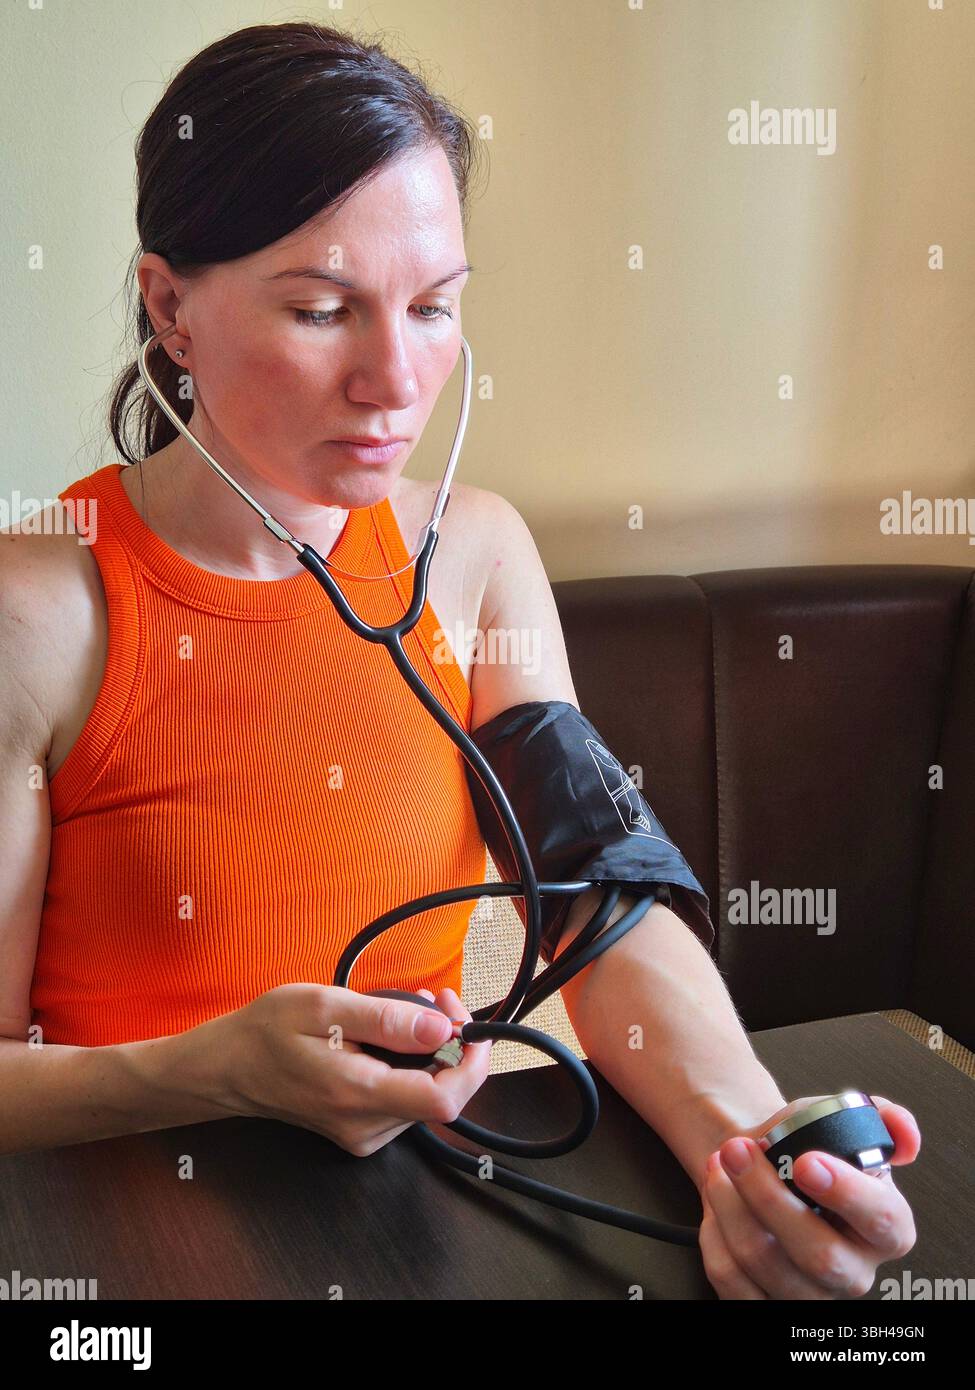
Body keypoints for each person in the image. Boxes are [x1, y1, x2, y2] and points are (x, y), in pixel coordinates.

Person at [0, 21, 918, 1299]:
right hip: (117, 1260)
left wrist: (748, 1147)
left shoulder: (477, 556)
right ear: (171, 306)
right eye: (321, 310)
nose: (395, 379)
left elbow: (598, 896)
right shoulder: (37, 605)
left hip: (421, 1237)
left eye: (434, 307)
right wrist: (209, 1069)